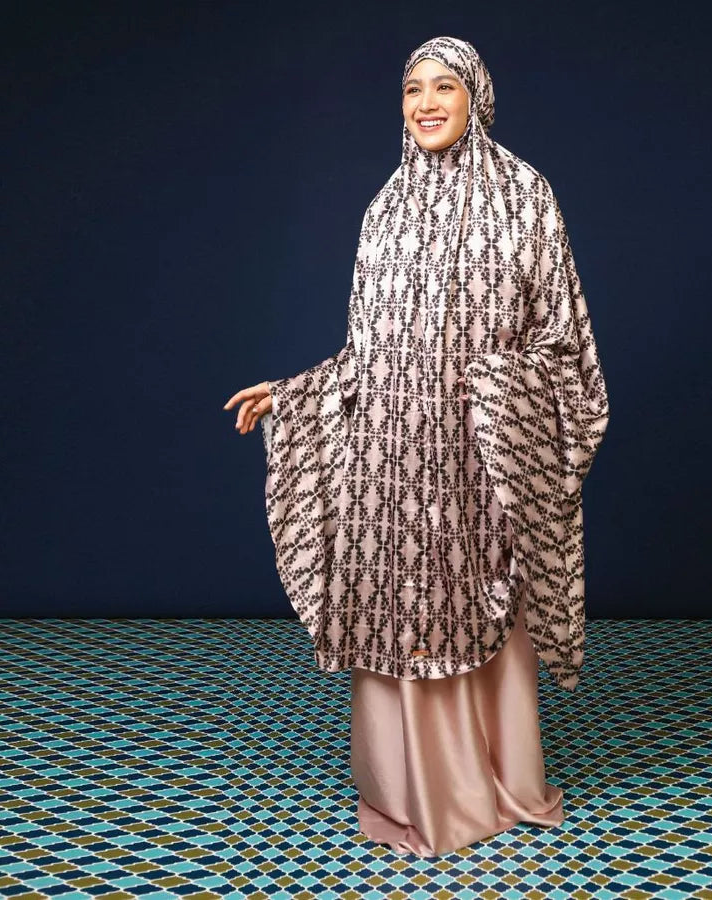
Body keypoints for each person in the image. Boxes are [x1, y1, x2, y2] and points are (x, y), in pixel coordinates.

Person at [223, 36, 610, 857]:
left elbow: (566, 345)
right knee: (399, 604)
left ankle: (490, 784)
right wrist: (293, 393)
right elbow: (368, 354)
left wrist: (495, 390)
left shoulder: (524, 196)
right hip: (391, 461)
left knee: (476, 601)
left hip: (479, 457)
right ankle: (410, 793)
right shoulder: (386, 207)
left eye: (444, 87)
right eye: (412, 89)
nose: (426, 103)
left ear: (477, 96)